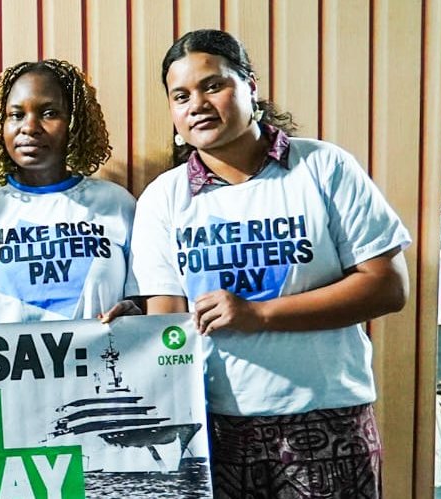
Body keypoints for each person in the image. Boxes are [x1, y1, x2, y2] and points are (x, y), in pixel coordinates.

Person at [129, 29, 409, 498]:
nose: (197, 104)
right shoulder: (164, 198)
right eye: (181, 96)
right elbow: (169, 322)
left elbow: (386, 286)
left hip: (328, 415)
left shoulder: (323, 167)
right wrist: (130, 328)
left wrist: (257, 314)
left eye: (213, 85)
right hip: (215, 424)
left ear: (250, 86)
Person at [0, 59, 138, 325]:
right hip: (0, 365)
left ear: (74, 123)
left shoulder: (117, 204)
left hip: (103, 363)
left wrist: (137, 314)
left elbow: (145, 300)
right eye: (16, 115)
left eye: (49, 113)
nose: (29, 127)